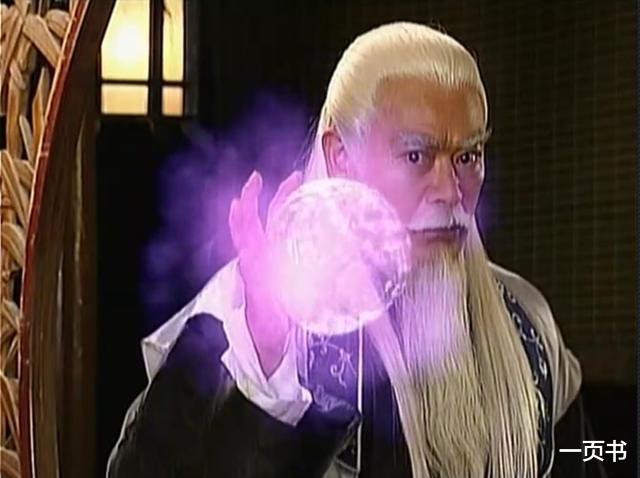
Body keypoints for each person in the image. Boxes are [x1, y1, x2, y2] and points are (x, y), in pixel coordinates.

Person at [107, 22, 598, 478]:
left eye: (468, 156)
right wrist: (265, 358)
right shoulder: (248, 309)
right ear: (341, 156)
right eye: (417, 155)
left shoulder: (526, 323)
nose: (451, 191)